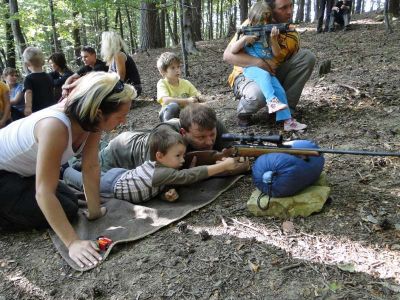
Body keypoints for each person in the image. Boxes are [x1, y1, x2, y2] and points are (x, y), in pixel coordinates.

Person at [0, 72, 136, 268]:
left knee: (70, 202)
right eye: (120, 116)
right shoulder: (55, 127)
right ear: (98, 113)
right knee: (63, 208)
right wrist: (73, 243)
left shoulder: (90, 120)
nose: (123, 121)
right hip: (3, 175)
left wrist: (94, 210)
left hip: (22, 174)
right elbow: (44, 192)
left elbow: (90, 165)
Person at [63, 128, 239, 204]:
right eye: (177, 156)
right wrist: (222, 167)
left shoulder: (162, 169)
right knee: (84, 182)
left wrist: (165, 193)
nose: (182, 160)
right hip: (112, 185)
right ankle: (66, 169)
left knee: (95, 171)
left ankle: (77, 165)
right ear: (160, 156)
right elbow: (188, 176)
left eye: (182, 155)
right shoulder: (160, 173)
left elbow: (155, 183)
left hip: (123, 174)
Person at [223, 0, 316, 127]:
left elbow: (288, 61)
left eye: (291, 6)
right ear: (270, 10)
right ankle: (243, 112)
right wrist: (259, 63)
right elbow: (228, 55)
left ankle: (284, 113)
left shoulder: (290, 32)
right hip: (247, 74)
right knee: (259, 93)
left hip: (273, 72)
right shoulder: (253, 23)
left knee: (306, 57)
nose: (289, 11)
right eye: (283, 8)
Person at [96, 104, 247, 173]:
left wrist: (240, 162)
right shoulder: (166, 138)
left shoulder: (212, 125)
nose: (209, 141)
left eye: (212, 135)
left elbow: (235, 152)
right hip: (121, 151)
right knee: (84, 169)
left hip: (140, 135)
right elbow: (160, 178)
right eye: (200, 137)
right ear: (183, 132)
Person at [156, 52, 201, 122]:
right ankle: (170, 128)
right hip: (168, 114)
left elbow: (198, 96)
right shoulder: (162, 83)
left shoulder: (186, 83)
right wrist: (187, 100)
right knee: (174, 106)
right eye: (172, 68)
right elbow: (166, 101)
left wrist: (202, 101)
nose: (177, 70)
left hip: (185, 115)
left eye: (178, 67)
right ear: (163, 71)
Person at [101, 31, 142, 97]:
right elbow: (109, 75)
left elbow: (120, 78)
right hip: (126, 87)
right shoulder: (113, 57)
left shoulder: (119, 55)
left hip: (132, 89)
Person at [22, 47, 55, 116]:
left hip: (37, 111)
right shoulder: (48, 76)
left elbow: (28, 92)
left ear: (27, 64)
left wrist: (28, 107)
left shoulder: (29, 78)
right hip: (51, 108)